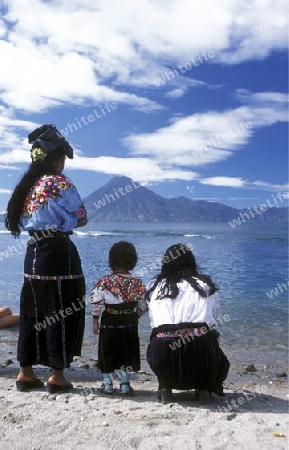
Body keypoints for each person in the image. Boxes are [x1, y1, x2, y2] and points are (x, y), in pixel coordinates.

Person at [5, 124, 87, 393]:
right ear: (55, 159)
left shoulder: (26, 187)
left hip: (33, 254)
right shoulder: (58, 182)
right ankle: (56, 376)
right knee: (61, 308)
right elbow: (81, 217)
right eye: (62, 159)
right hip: (58, 253)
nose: (63, 164)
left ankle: (25, 373)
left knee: (32, 310)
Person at [146, 243, 230, 404]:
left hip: (163, 356)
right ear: (191, 262)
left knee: (156, 340)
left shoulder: (154, 287)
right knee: (217, 353)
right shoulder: (205, 286)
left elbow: (153, 319)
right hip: (202, 355)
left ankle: (165, 386)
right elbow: (213, 317)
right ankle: (204, 388)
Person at [90, 241, 147, 395]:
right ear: (132, 260)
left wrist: (95, 320)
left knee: (107, 350)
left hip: (109, 320)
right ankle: (125, 385)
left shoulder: (104, 282)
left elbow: (96, 302)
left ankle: (107, 384)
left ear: (112, 260)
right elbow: (143, 305)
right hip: (129, 322)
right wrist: (136, 316)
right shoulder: (138, 282)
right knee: (126, 351)